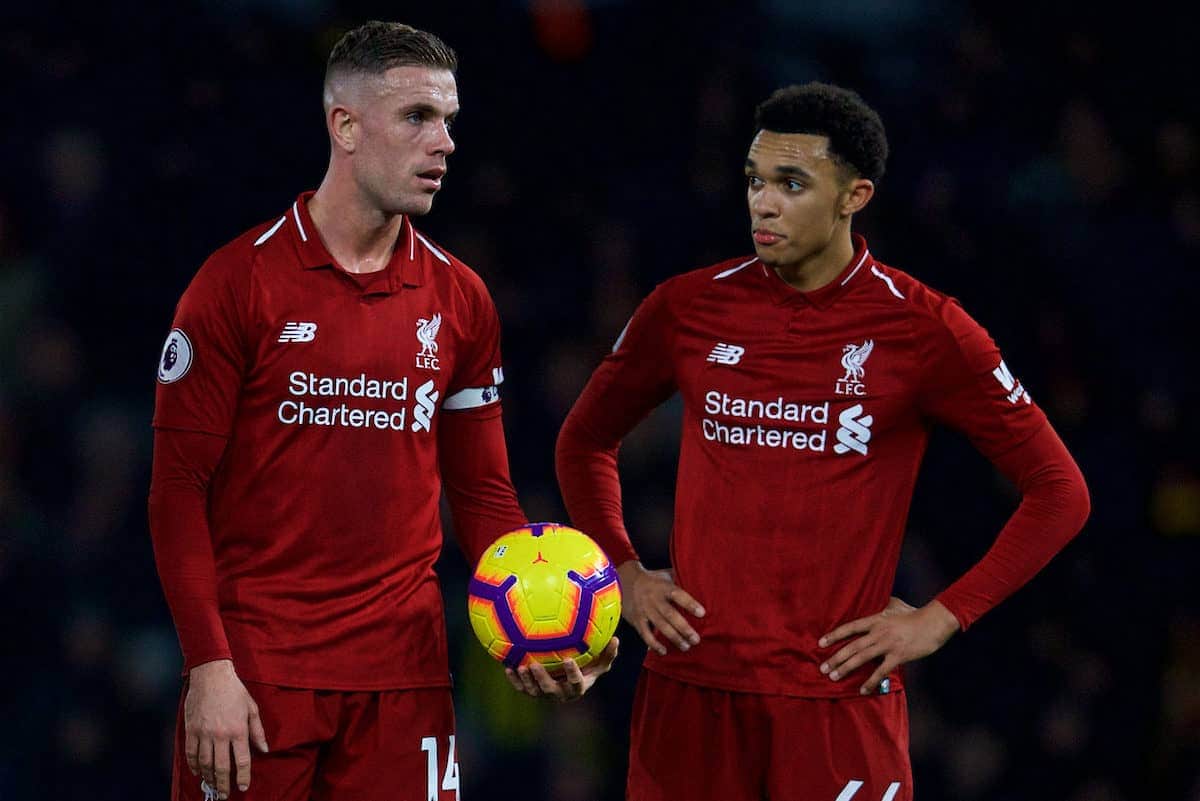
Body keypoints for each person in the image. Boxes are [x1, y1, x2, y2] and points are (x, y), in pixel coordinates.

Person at [556, 82, 1090, 801]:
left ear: (854, 195)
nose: (763, 203)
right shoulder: (686, 307)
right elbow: (583, 441)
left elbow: (1061, 492)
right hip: (690, 693)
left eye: (791, 183)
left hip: (838, 702)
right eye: (754, 180)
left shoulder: (925, 329)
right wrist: (625, 571)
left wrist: (942, 616)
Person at [148, 21, 616, 801]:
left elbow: (483, 494)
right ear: (345, 126)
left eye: (449, 121)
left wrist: (536, 629)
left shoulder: (460, 298)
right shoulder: (236, 285)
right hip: (260, 676)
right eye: (417, 118)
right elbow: (175, 493)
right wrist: (209, 666)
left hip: (406, 679)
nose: (445, 144)